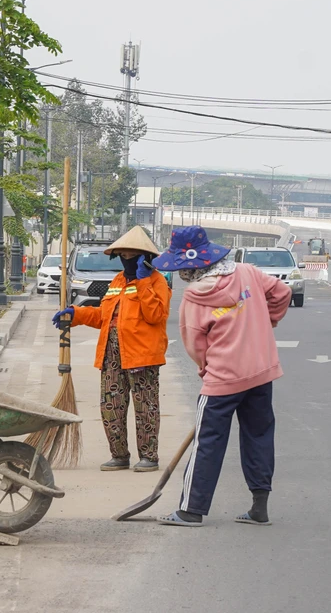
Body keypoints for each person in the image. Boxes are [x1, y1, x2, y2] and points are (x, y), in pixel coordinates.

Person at [153, 226, 291, 527]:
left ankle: (191, 510)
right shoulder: (247, 272)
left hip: (222, 378)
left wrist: (205, 368)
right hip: (260, 372)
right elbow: (282, 293)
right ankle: (259, 507)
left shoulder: (194, 297)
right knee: (259, 437)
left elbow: (195, 344)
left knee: (208, 442)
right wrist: (268, 319)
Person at [52, 226, 171, 472]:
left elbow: (156, 315)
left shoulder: (157, 282)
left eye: (132, 256)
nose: (127, 260)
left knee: (145, 407)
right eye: (123, 256)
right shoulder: (117, 281)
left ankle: (149, 456)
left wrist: (143, 282)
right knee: (111, 406)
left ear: (146, 258)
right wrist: (76, 314)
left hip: (142, 356)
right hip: (111, 354)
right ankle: (119, 455)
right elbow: (104, 317)